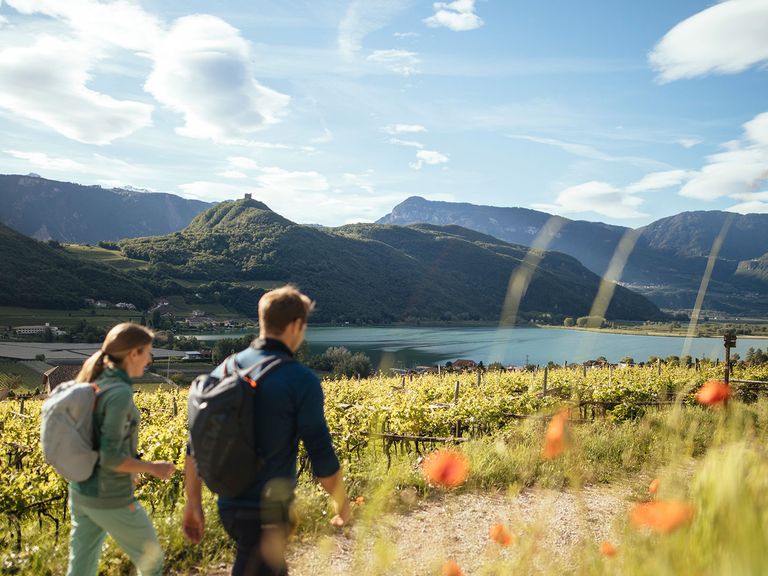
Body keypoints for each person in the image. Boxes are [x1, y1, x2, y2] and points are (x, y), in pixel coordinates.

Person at [183, 285, 350, 576]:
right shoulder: (300, 380)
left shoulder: (222, 370)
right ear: (297, 325)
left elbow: (194, 446)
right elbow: (320, 454)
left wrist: (193, 504)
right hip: (268, 512)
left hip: (228, 506)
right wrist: (342, 503)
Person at [67, 323, 176, 576]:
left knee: (81, 567)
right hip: (109, 495)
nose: (149, 360)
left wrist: (131, 467)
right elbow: (110, 457)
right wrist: (152, 468)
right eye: (147, 352)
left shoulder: (97, 380)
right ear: (132, 354)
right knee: (152, 561)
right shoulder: (119, 394)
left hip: (81, 490)